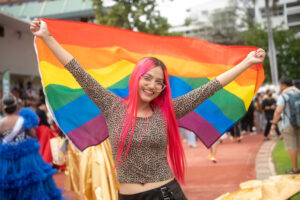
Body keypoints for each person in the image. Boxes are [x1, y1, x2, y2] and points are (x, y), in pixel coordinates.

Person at [30, 19, 265, 199]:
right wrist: (47, 37)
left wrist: (247, 62)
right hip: (127, 196)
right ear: (136, 78)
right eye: (148, 78)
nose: (152, 86)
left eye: (159, 82)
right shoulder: (112, 106)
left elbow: (211, 87)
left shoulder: (168, 111)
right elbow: (76, 70)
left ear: (164, 87)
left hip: (164, 193)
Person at [0, 93, 62, 199]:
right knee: (30, 185)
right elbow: (33, 135)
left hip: (7, 161)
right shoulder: (24, 120)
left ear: (3, 108)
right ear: (16, 107)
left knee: (10, 186)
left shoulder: (1, 123)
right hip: (27, 158)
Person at [272, 77, 300, 174]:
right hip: (299, 122)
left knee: (291, 146)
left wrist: (274, 123)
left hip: (289, 123)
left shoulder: (284, 96)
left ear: (283, 85)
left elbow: (278, 111)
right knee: (299, 145)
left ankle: (295, 169)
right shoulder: (298, 92)